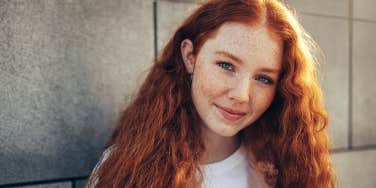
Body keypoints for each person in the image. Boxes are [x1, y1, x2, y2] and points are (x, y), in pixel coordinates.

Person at [86, 0, 335, 187]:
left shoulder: (286, 171)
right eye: (226, 65)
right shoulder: (126, 168)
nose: (241, 94)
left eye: (263, 78)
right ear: (190, 57)